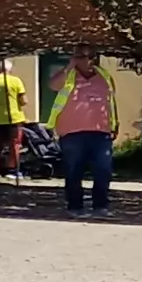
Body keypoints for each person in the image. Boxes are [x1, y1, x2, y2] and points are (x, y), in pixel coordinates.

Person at [47, 49, 121, 217]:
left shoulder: (104, 76)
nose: (84, 60)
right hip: (72, 132)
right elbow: (53, 85)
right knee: (74, 170)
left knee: (104, 169)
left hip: (100, 131)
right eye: (79, 56)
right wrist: (69, 67)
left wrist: (115, 123)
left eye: (88, 56)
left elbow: (110, 102)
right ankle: (75, 206)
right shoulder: (68, 75)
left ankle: (100, 205)